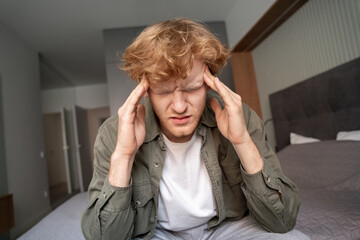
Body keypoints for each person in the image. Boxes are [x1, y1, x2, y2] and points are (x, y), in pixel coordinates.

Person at [81, 18, 309, 240]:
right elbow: (106, 237)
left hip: (226, 227)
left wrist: (241, 141)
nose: (179, 107)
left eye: (192, 88)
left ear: (210, 81)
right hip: (157, 233)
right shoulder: (114, 132)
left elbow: (282, 221)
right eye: (163, 90)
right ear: (146, 89)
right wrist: (124, 155)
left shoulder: (237, 115)